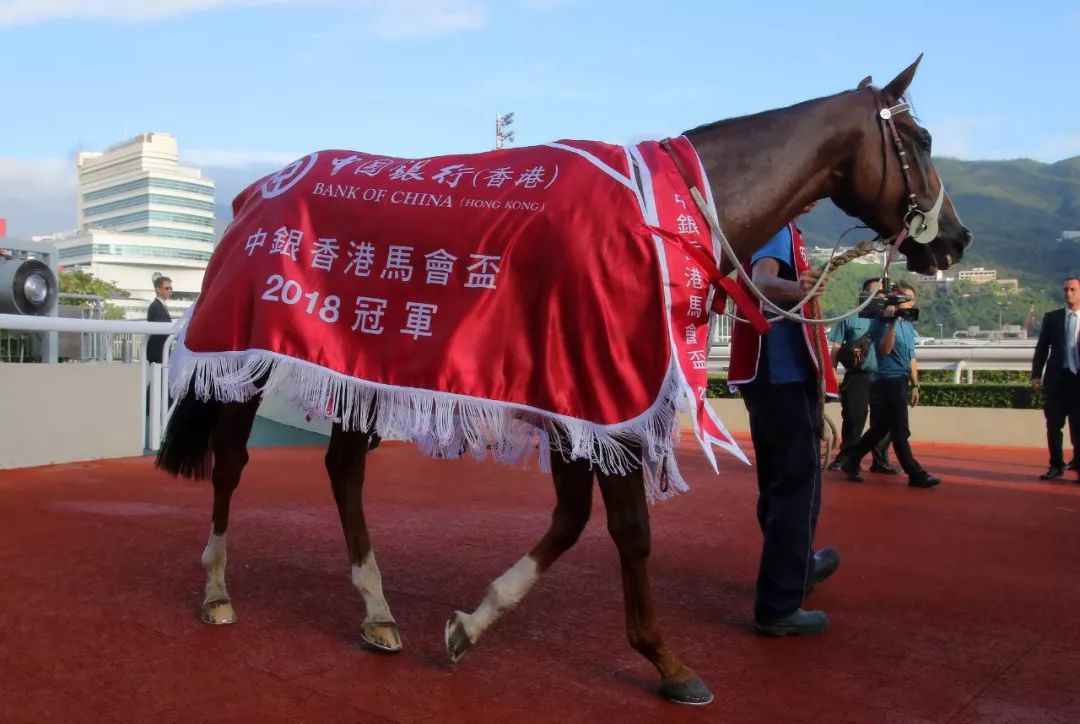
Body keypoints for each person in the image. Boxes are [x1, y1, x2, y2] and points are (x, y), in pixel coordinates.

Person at [728, 208, 840, 637]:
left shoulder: (764, 224)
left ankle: (798, 565)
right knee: (797, 488)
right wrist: (796, 287)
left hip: (769, 379)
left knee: (780, 485)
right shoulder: (776, 227)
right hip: (784, 377)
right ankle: (779, 602)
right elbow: (762, 281)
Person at [840, 282, 940, 488]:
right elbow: (884, 350)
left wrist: (915, 384)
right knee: (900, 430)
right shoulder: (879, 323)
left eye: (911, 299)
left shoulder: (908, 325)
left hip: (901, 380)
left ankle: (852, 458)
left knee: (880, 427)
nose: (908, 302)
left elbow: (911, 356)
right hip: (886, 381)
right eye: (904, 298)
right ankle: (915, 473)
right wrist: (890, 322)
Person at [827, 278, 898, 475]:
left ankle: (880, 460)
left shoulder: (890, 318)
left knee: (884, 419)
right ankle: (847, 456)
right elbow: (835, 350)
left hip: (883, 375)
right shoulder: (849, 317)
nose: (880, 296)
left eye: (883, 293)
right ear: (864, 295)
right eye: (875, 293)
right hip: (858, 375)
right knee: (853, 417)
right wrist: (832, 377)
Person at [1031, 276, 1080, 482]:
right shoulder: (1053, 318)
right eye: (1066, 290)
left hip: (1078, 381)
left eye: (1072, 290)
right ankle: (1056, 465)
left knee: (1078, 426)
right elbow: (1042, 348)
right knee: (1054, 424)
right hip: (1057, 380)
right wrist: (1035, 375)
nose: (1068, 293)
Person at [146, 276, 173, 364]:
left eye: (170, 288)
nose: (170, 291)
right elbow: (162, 327)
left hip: (162, 351)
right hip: (157, 353)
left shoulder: (161, 306)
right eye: (167, 288)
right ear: (158, 289)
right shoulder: (155, 306)